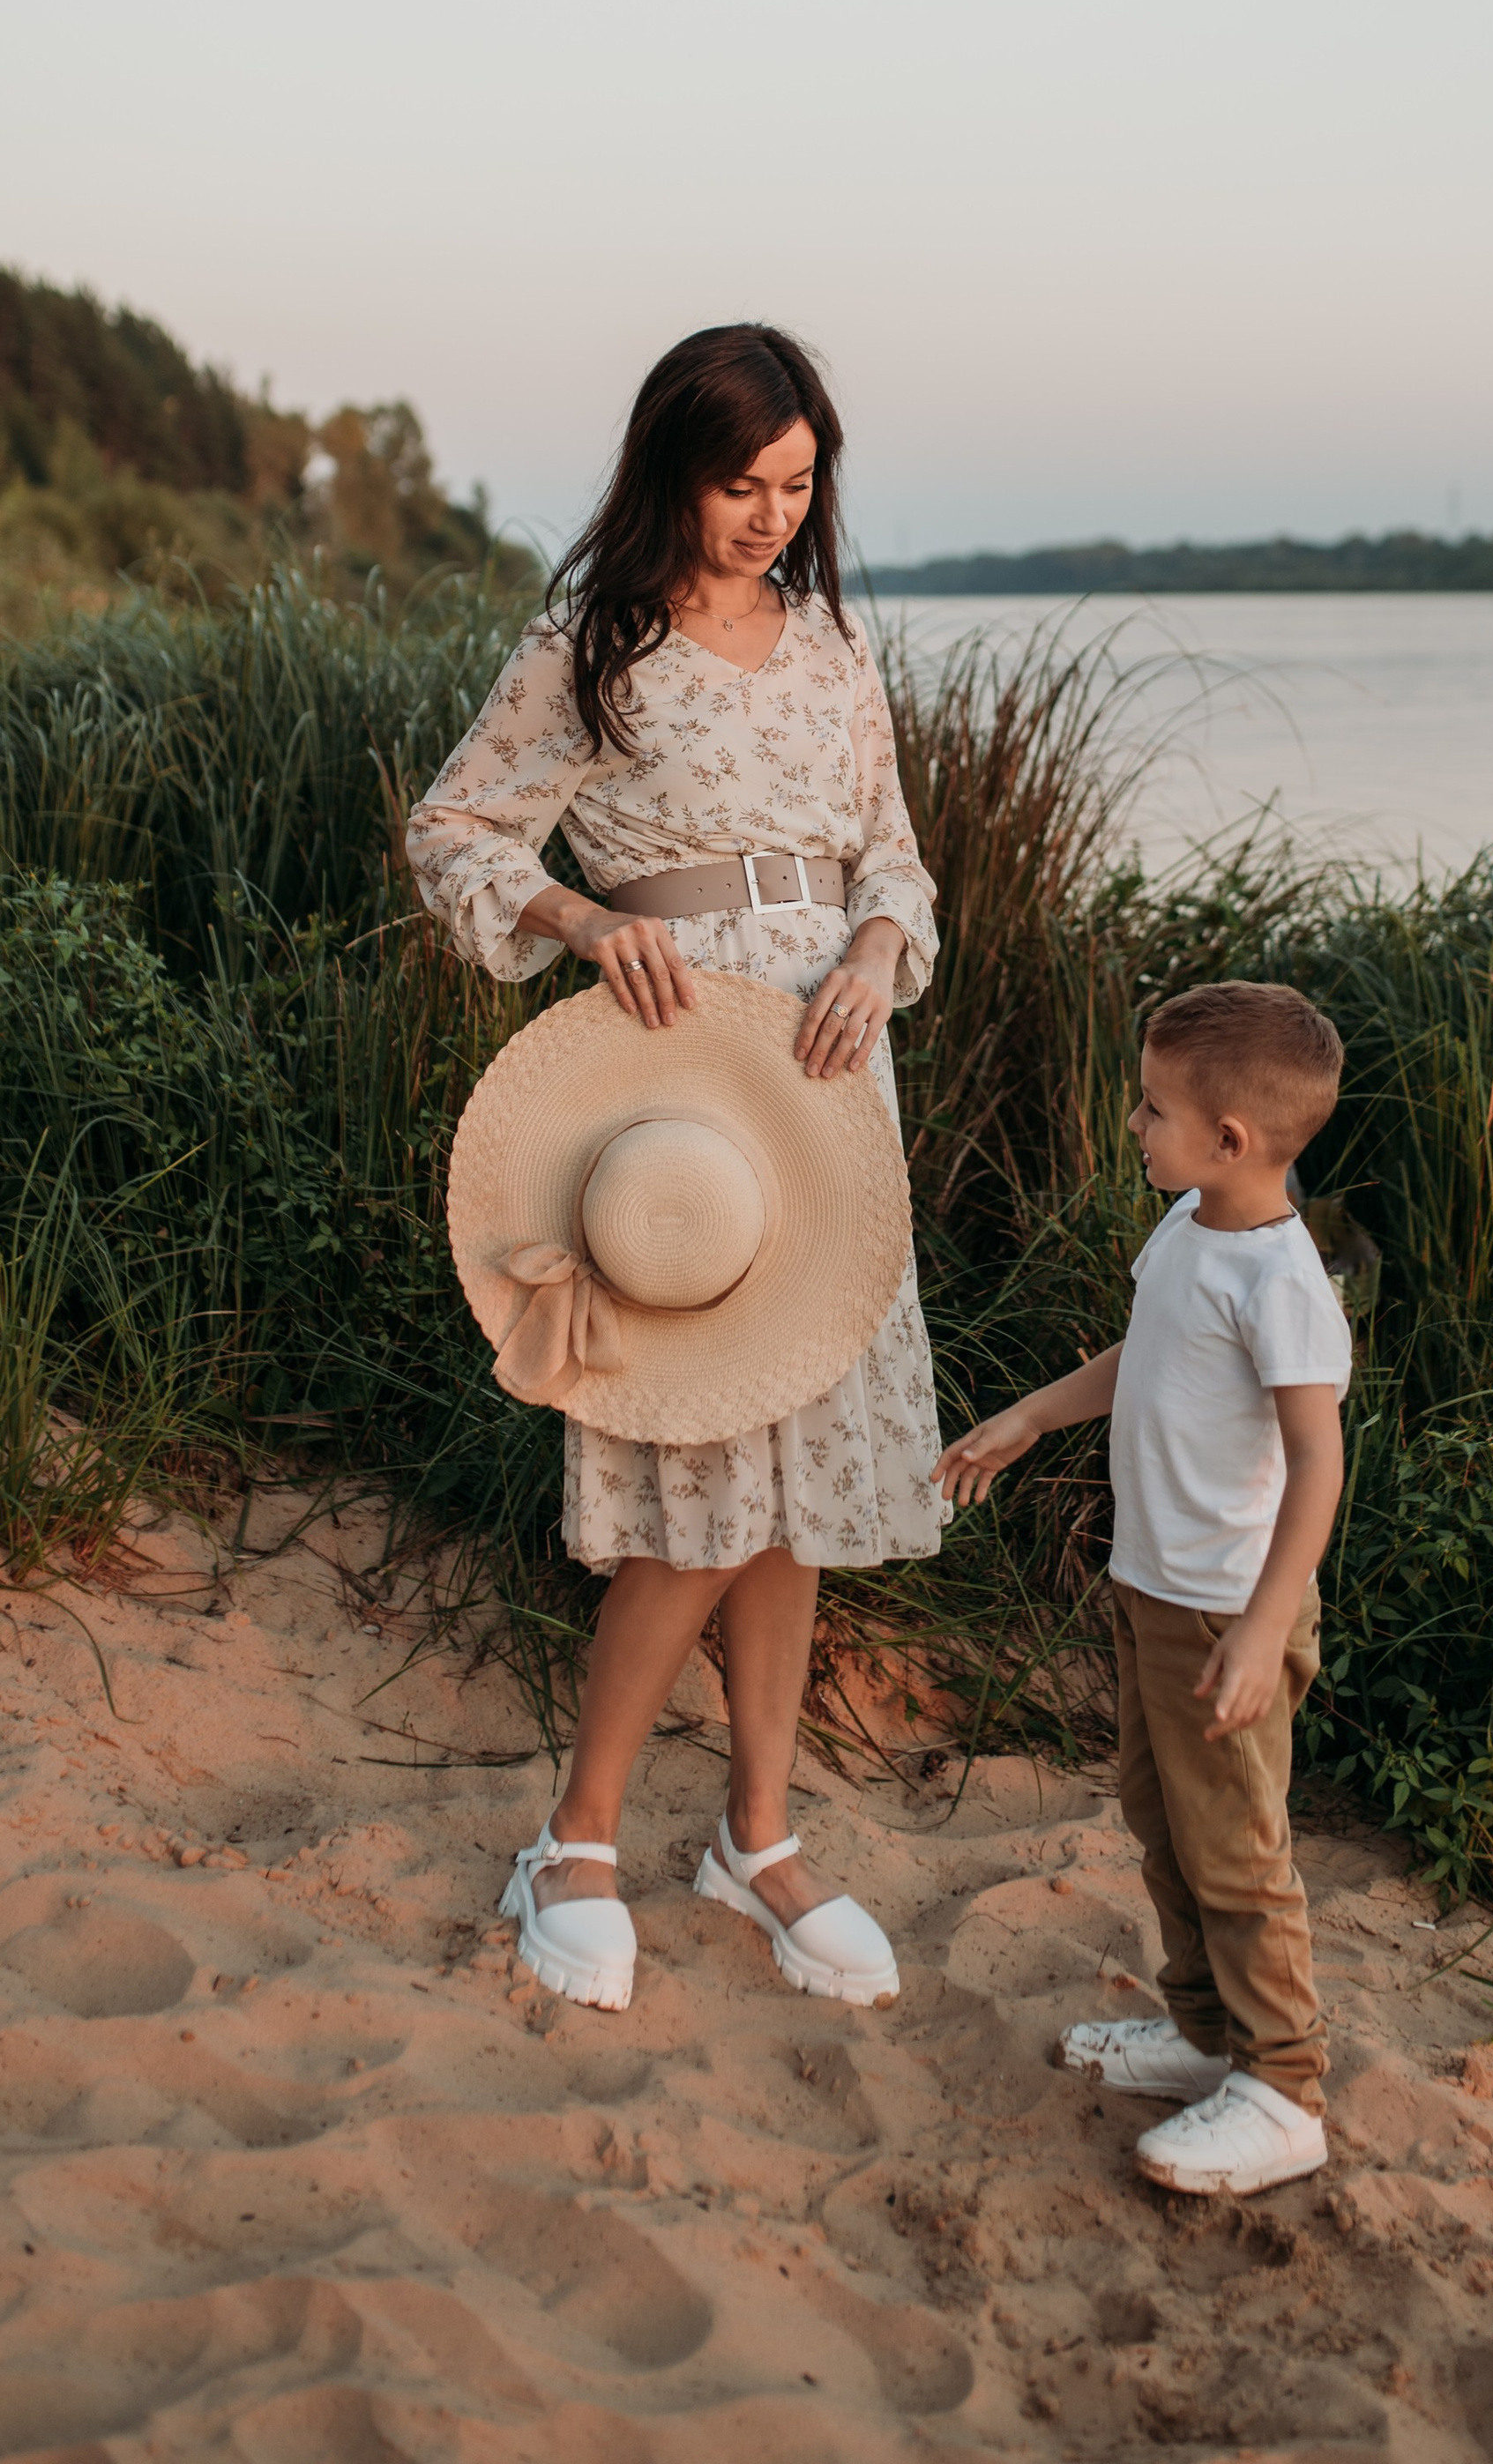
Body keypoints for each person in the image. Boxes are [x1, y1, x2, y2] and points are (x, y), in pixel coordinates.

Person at [407, 324, 943, 2013]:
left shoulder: (838, 649)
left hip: (827, 1088)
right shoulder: (593, 647)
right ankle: (573, 1836)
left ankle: (760, 1836)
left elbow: (898, 864)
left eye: (797, 484)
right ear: (670, 471)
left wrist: (872, 950)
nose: (772, 516)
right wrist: (572, 920)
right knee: (697, 1499)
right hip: (679, 1098)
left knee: (783, 1508)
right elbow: (454, 828)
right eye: (741, 484)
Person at [934, 981, 1350, 2196]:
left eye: (1153, 1108)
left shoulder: (1281, 1279)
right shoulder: (1189, 1227)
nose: (1133, 1124)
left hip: (1228, 1610)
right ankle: (1207, 2037)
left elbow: (1320, 1460)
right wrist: (1030, 1415)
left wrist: (1266, 1627)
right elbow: (1145, 1352)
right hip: (1154, 1591)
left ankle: (1284, 2089)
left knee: (1236, 1851)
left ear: (1231, 1141)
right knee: (1163, 1825)